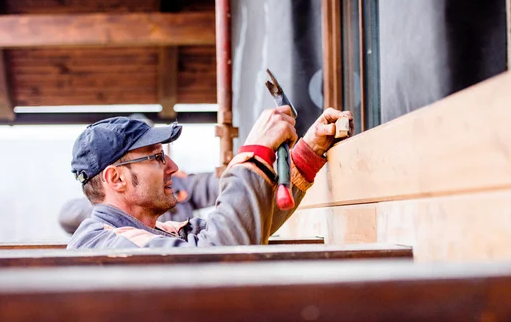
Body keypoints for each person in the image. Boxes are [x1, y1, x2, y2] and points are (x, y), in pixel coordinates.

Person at [68, 106, 353, 249]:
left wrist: (306, 155)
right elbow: (221, 257)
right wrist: (253, 153)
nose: (172, 167)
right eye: (156, 157)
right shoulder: (109, 245)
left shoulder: (155, 233)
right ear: (116, 179)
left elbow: (242, 225)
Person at [59, 171, 220, 234]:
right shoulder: (112, 238)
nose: (168, 166)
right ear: (117, 177)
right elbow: (66, 216)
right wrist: (117, 201)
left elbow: (213, 184)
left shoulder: (178, 184)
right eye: (155, 157)